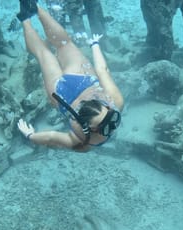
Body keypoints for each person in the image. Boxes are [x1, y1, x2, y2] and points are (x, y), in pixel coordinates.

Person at [15, 0, 124, 152]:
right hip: (62, 95)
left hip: (81, 79)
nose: (112, 127)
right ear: (106, 106)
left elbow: (102, 70)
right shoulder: (84, 141)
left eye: (106, 125)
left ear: (89, 127)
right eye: (113, 117)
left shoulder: (115, 102)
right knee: (45, 52)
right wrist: (30, 136)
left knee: (60, 46)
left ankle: (30, 13)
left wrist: (95, 45)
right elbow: (52, 137)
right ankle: (28, 15)